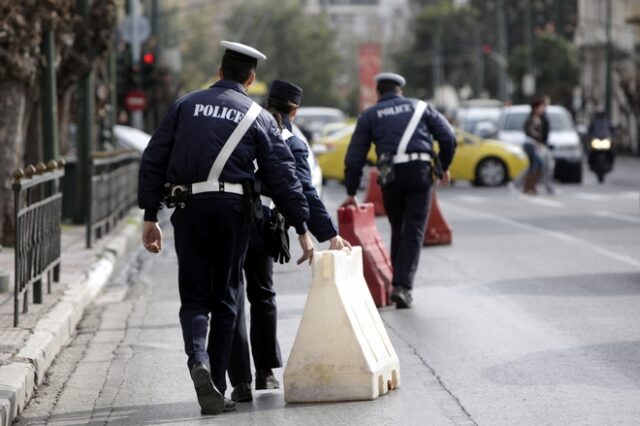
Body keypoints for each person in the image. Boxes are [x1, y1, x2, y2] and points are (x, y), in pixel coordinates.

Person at [138, 41, 315, 416]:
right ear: (250, 79)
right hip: (234, 212)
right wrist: (301, 226)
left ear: (219, 73)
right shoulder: (259, 116)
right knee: (226, 299)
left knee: (195, 296)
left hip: (187, 207)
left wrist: (149, 215)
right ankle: (215, 385)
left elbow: (154, 158)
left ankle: (198, 359)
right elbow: (283, 176)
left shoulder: (185, 105)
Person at [227, 80, 352, 402]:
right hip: (261, 223)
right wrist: (328, 234)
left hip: (224, 218)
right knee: (263, 294)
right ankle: (265, 371)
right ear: (294, 110)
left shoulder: (239, 124)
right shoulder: (290, 140)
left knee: (232, 298)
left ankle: (239, 381)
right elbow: (302, 191)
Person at [341, 72, 456, 309]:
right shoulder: (421, 107)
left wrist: (351, 190)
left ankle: (398, 284)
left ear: (378, 92)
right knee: (414, 229)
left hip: (390, 175)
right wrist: (443, 166)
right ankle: (402, 286)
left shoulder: (370, 114)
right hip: (419, 172)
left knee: (398, 227)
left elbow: (355, 155)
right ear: (400, 91)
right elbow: (448, 137)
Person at [521, 97, 547, 194]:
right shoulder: (533, 118)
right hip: (531, 144)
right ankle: (529, 187)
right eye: (541, 107)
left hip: (534, 144)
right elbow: (529, 131)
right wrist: (537, 137)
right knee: (534, 165)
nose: (543, 109)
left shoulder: (538, 118)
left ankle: (531, 187)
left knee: (537, 165)